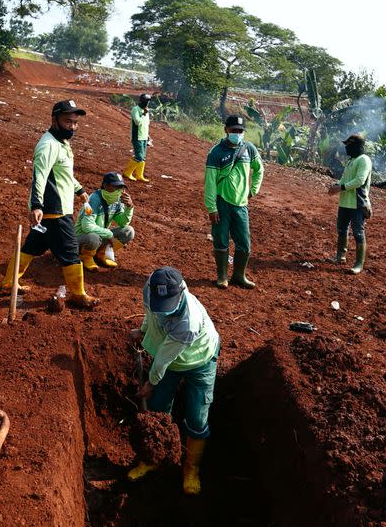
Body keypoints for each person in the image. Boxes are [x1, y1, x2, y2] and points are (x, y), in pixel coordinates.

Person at [127, 267, 220, 496]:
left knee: (197, 417)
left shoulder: (188, 323)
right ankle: (153, 459)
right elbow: (150, 313)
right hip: (168, 358)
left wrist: (150, 383)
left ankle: (191, 468)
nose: (162, 311)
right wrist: (143, 330)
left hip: (200, 360)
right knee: (158, 409)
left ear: (180, 294)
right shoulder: (150, 289)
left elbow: (162, 360)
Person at [0, 100, 99, 309]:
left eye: (75, 122)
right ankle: (78, 294)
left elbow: (64, 174)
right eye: (67, 121)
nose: (72, 126)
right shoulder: (48, 145)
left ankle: (9, 281)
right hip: (54, 210)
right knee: (71, 252)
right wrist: (37, 205)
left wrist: (79, 190)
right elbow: (40, 176)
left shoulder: (62, 142)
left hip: (55, 208)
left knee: (33, 245)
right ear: (54, 120)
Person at [203, 115, 264, 289]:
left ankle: (239, 275)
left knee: (244, 243)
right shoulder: (216, 152)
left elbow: (259, 170)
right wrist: (211, 208)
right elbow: (210, 183)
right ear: (226, 130)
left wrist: (253, 190)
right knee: (220, 240)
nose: (237, 134)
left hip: (241, 205)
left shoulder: (249, 149)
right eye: (233, 130)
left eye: (240, 131)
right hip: (221, 203)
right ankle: (222, 276)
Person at [327, 134, 373, 274]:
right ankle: (340, 256)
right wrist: (336, 185)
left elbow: (359, 180)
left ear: (356, 146)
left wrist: (340, 188)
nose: (346, 148)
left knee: (358, 232)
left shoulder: (364, 160)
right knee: (342, 229)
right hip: (345, 202)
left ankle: (359, 263)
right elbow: (344, 179)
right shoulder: (351, 161)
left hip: (358, 203)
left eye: (349, 146)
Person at [75, 172, 135, 272]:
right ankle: (86, 256)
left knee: (128, 231)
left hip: (99, 236)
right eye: (115, 187)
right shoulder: (93, 199)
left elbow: (122, 223)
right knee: (94, 236)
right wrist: (108, 233)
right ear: (105, 186)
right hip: (82, 238)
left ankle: (101, 254)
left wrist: (129, 207)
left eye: (120, 188)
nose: (118, 191)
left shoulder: (117, 201)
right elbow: (87, 226)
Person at [122, 93, 151, 182]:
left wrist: (148, 136)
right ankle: (127, 173)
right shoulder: (136, 109)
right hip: (137, 136)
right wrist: (143, 114)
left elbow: (146, 124)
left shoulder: (146, 111)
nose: (147, 103)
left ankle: (139, 175)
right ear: (141, 101)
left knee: (143, 157)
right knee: (139, 156)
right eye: (146, 101)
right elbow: (137, 122)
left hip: (144, 136)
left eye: (148, 101)